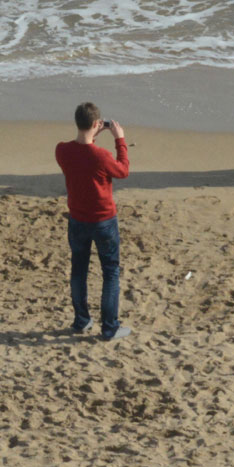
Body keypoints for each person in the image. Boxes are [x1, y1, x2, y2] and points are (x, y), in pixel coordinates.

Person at [55, 102, 132, 340]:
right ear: (97, 124)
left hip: (77, 219)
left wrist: (92, 136)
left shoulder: (62, 150)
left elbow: (82, 158)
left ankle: (82, 320)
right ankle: (109, 327)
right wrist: (119, 139)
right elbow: (123, 170)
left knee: (78, 270)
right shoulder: (101, 156)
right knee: (110, 272)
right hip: (103, 221)